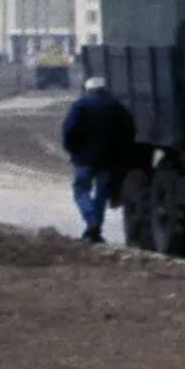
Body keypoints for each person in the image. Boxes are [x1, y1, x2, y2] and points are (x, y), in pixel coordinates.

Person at [60, 75, 136, 243]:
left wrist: (73, 151)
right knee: (101, 194)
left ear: (88, 88)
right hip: (108, 160)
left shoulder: (80, 105)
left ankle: (91, 221)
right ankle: (95, 230)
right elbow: (128, 132)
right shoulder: (116, 107)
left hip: (84, 159)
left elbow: (68, 131)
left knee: (81, 191)